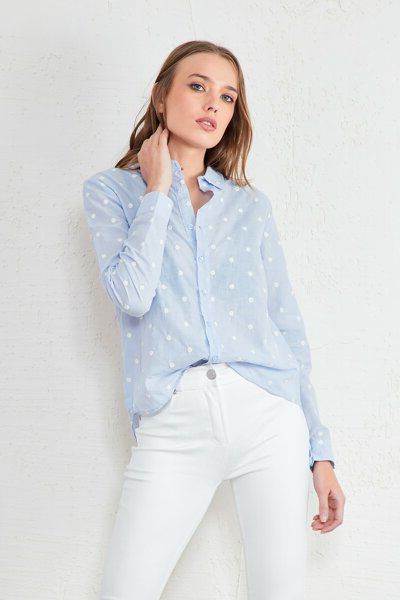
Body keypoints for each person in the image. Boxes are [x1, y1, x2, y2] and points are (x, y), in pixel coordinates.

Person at [82, 40, 345, 600]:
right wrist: (158, 189)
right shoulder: (111, 192)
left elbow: (287, 327)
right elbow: (131, 295)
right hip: (175, 420)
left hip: (270, 419)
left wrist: (319, 453)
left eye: (227, 97)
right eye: (198, 86)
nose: (213, 105)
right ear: (161, 96)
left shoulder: (250, 206)